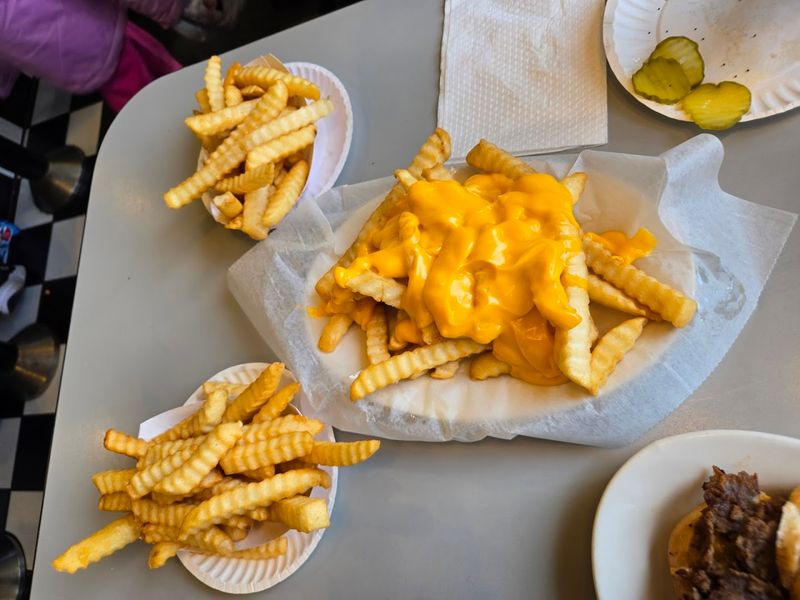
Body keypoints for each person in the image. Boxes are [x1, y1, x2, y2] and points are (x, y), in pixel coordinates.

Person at [0, 0, 185, 113]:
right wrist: (169, 8)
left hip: (83, 57)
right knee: (161, 101)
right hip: (100, 31)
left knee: (152, 106)